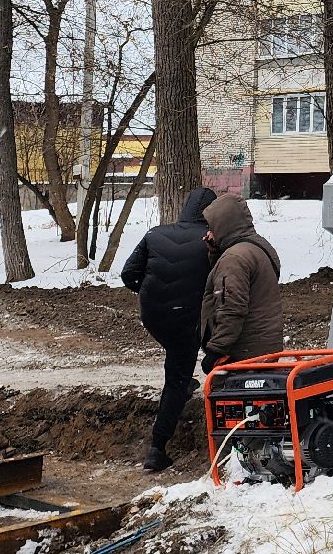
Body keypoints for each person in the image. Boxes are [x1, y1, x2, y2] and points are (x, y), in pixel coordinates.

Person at [120, 186, 218, 471]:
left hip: (154, 317)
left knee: (178, 358)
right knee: (177, 376)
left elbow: (128, 275)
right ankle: (157, 448)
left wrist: (152, 295)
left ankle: (187, 383)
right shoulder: (211, 241)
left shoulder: (155, 234)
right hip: (190, 319)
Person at [199, 195, 284, 376]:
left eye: (212, 227)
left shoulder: (234, 259)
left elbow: (231, 308)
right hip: (265, 346)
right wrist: (216, 249)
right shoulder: (257, 247)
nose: (209, 233)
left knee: (228, 401)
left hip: (244, 353)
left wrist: (216, 351)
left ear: (224, 225)